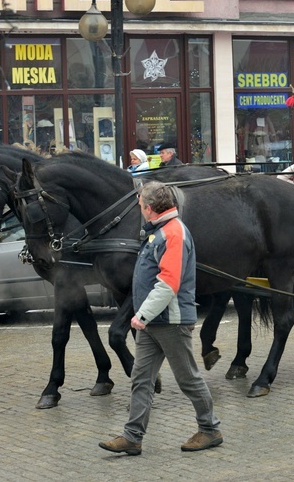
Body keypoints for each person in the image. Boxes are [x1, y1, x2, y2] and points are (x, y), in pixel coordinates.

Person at [99, 182, 222, 456]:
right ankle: (132, 437)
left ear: (150, 208)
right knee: (141, 380)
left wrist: (141, 314)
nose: (139, 209)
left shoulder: (174, 233)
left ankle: (210, 429)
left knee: (188, 379)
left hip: (170, 322)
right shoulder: (159, 232)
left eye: (141, 204)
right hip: (154, 322)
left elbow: (169, 283)